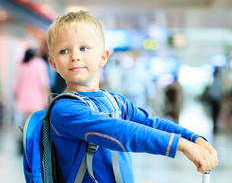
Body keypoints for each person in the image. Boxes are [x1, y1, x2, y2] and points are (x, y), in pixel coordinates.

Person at [46, 10, 218, 182]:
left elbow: (151, 124)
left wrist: (194, 138)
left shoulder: (114, 101)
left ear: (103, 57)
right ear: (53, 63)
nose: (75, 56)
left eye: (84, 48)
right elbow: (120, 132)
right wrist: (181, 145)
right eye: (64, 51)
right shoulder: (65, 109)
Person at [14, 48, 50, 154]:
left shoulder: (22, 66)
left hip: (23, 101)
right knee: (36, 127)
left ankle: (24, 147)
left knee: (25, 126)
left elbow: (16, 87)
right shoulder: (40, 64)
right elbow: (44, 84)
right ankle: (34, 149)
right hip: (37, 101)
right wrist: (49, 99)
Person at [207, 67, 223, 134]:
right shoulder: (216, 80)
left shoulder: (216, 80)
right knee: (215, 114)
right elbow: (215, 92)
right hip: (215, 100)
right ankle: (215, 128)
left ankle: (215, 127)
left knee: (216, 114)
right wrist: (217, 99)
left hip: (215, 99)